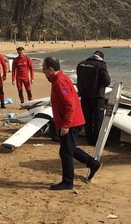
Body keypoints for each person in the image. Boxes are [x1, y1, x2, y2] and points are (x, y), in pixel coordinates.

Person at [42, 56, 102, 190]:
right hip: (71, 120)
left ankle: (68, 182)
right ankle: (92, 163)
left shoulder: (60, 82)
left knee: (65, 153)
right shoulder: (57, 79)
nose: (43, 71)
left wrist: (66, 124)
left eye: (44, 69)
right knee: (69, 149)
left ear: (51, 69)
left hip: (72, 122)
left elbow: (70, 104)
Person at [76, 50, 111, 145]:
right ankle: (96, 140)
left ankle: (89, 139)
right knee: (98, 119)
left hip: (84, 95)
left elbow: (79, 77)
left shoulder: (81, 64)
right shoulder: (101, 65)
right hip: (97, 96)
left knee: (87, 118)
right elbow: (107, 82)